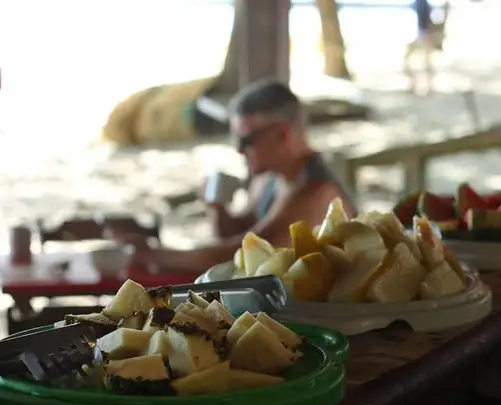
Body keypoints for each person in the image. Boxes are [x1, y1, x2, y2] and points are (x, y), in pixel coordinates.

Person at [132, 80, 357, 273]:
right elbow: (237, 236)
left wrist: (149, 255)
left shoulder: (316, 194)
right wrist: (216, 208)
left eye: (246, 141)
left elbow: (236, 256)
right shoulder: (269, 177)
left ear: (282, 135)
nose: (239, 150)